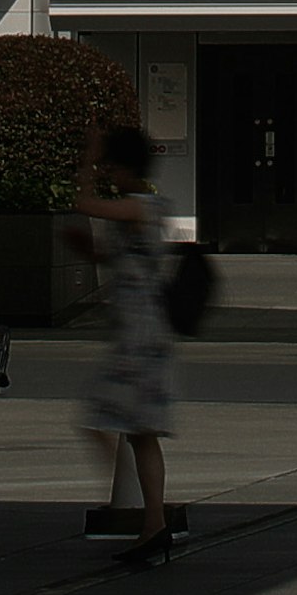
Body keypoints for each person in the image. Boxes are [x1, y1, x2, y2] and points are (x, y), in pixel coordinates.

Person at [66, 118, 182, 565]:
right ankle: (153, 524)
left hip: (139, 335)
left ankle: (143, 513)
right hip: (143, 332)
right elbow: (113, 254)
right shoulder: (145, 209)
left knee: (102, 418)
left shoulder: (140, 208)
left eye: (114, 167)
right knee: (141, 433)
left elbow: (82, 202)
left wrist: (90, 157)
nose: (110, 175)